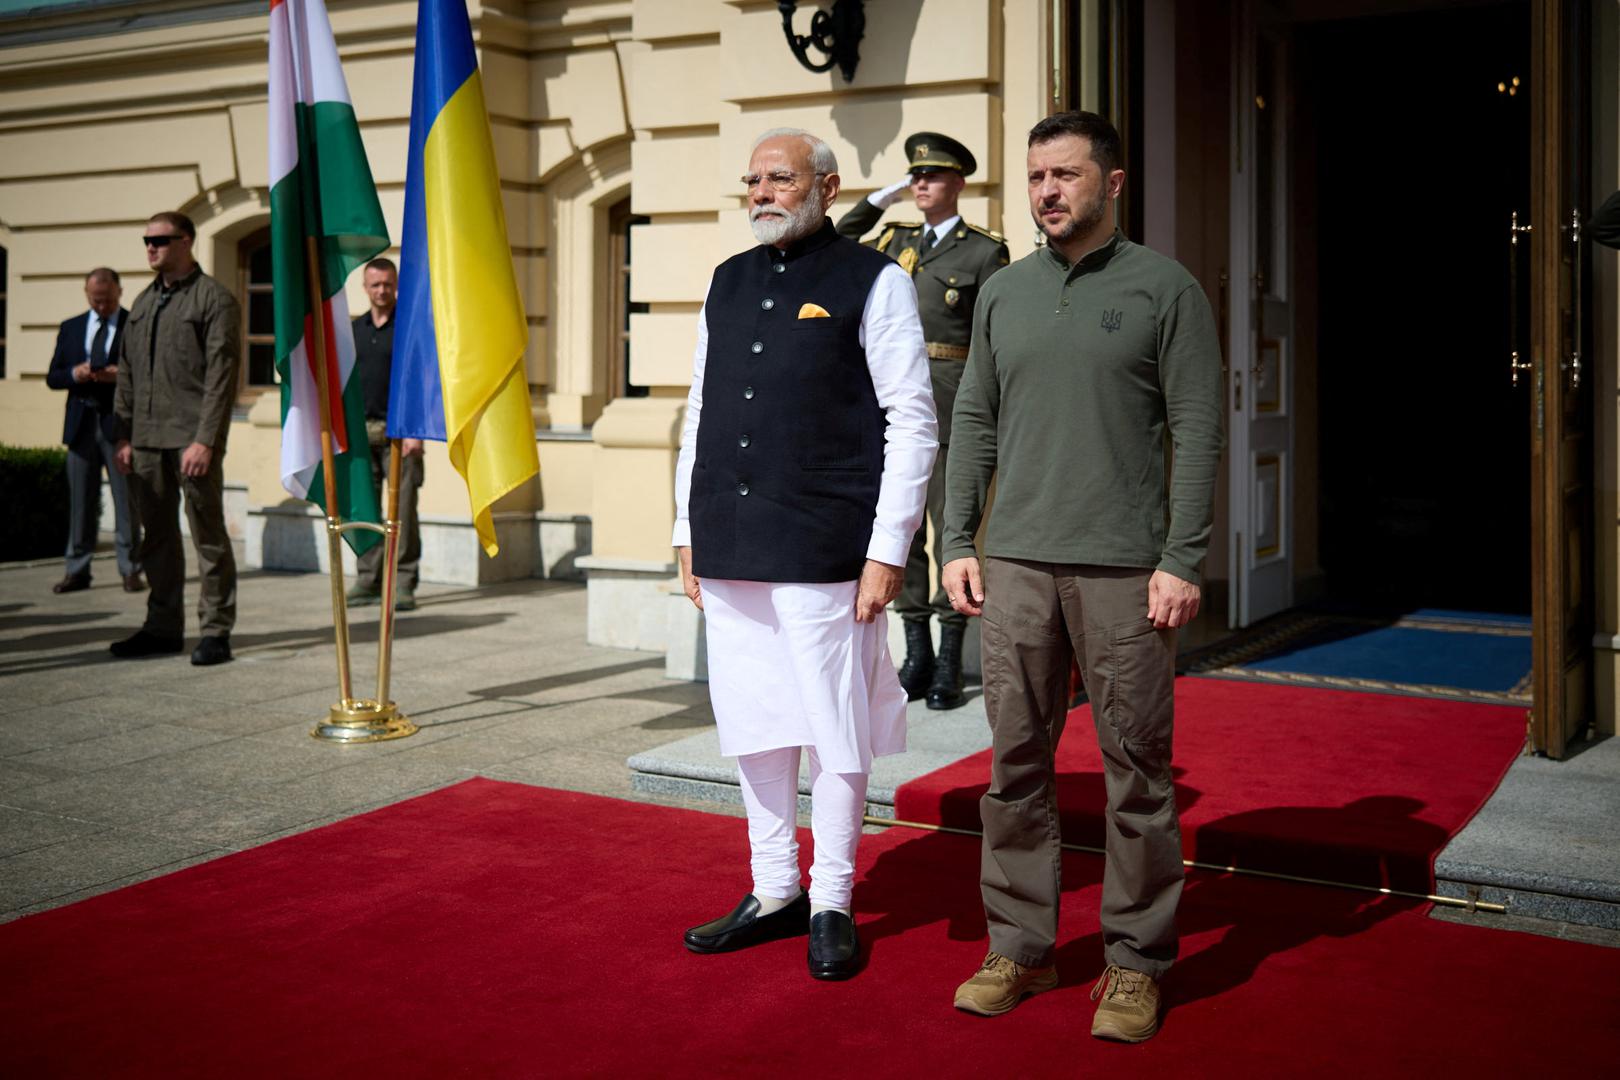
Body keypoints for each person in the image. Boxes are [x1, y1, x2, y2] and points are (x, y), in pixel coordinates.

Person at [940, 112, 1224, 1041]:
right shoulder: (1003, 292)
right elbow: (974, 416)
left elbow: (1198, 428)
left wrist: (1183, 557)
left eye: (1064, 174)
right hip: (1015, 559)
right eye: (1034, 178)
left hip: (1123, 569)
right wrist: (956, 538)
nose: (1047, 192)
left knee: (1137, 767)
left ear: (1112, 181)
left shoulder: (1164, 289)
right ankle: (1020, 947)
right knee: (1014, 763)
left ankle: (1136, 963)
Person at [674, 128, 936, 980]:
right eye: (751, 180)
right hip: (731, 537)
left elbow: (912, 421)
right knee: (754, 723)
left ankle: (831, 898)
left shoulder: (875, 280)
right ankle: (774, 888)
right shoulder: (727, 280)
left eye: (779, 178)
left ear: (826, 187)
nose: (761, 192)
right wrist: (687, 530)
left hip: (826, 543)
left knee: (832, 729)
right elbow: (701, 410)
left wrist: (887, 548)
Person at [836, 131, 1010, 710]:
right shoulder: (892, 237)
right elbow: (836, 238)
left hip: (951, 406)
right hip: (887, 408)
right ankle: (916, 655)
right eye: (914, 176)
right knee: (901, 533)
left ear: (958, 182)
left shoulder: (984, 251)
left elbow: (991, 341)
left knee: (948, 530)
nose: (921, 184)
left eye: (932, 176)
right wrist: (880, 199)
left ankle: (950, 661)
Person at [111, 210, 242, 667]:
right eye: (146, 239)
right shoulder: (144, 304)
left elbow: (222, 378)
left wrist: (206, 440)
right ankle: (162, 627)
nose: (151, 247)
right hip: (145, 442)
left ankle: (215, 630)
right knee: (157, 539)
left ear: (186, 241)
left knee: (208, 536)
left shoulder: (214, 300)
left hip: (191, 441)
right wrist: (123, 436)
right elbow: (126, 374)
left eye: (160, 240)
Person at [44, 268, 143, 595]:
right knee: (80, 503)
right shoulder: (71, 328)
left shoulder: (134, 325)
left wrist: (121, 376)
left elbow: (148, 375)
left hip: (118, 425)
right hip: (80, 424)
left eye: (108, 300)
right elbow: (53, 377)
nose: (102, 306)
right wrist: (76, 373)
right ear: (87, 294)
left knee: (125, 502)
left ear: (120, 292)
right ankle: (77, 570)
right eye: (96, 300)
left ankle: (130, 568)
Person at [345, 257, 423, 612]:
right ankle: (368, 579)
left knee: (402, 510)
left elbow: (421, 382)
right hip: (361, 433)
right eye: (375, 284)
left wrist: (415, 431)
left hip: (400, 435)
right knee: (364, 509)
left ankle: (403, 582)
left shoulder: (409, 328)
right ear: (365, 287)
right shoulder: (355, 329)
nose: (381, 290)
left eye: (387, 284)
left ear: (396, 286)